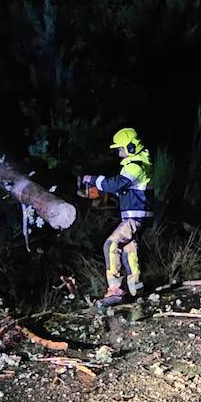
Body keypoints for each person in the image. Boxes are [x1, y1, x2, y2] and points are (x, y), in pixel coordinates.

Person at [81, 127, 154, 306]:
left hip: (135, 218)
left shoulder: (136, 167)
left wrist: (93, 179)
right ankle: (135, 288)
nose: (119, 153)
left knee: (111, 244)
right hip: (138, 216)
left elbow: (115, 184)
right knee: (130, 250)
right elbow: (122, 188)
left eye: (120, 149)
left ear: (130, 147)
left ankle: (114, 289)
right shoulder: (138, 165)